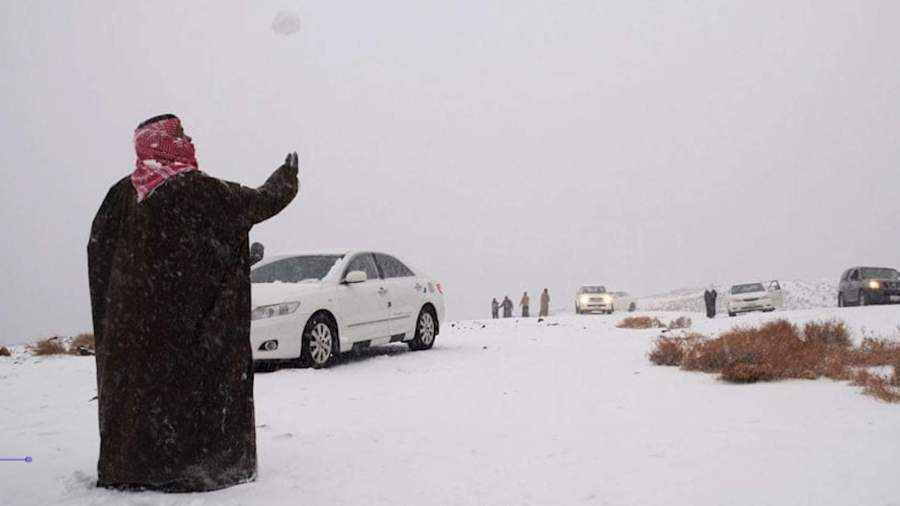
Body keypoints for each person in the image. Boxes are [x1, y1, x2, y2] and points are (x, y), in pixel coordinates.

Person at [88, 114, 299, 493]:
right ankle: (188, 466)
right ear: (163, 143)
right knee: (188, 399)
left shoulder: (119, 197)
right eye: (181, 134)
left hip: (134, 340)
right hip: (185, 333)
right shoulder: (195, 190)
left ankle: (136, 465)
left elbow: (100, 254)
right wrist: (284, 179)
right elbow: (255, 203)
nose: (190, 139)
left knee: (144, 402)